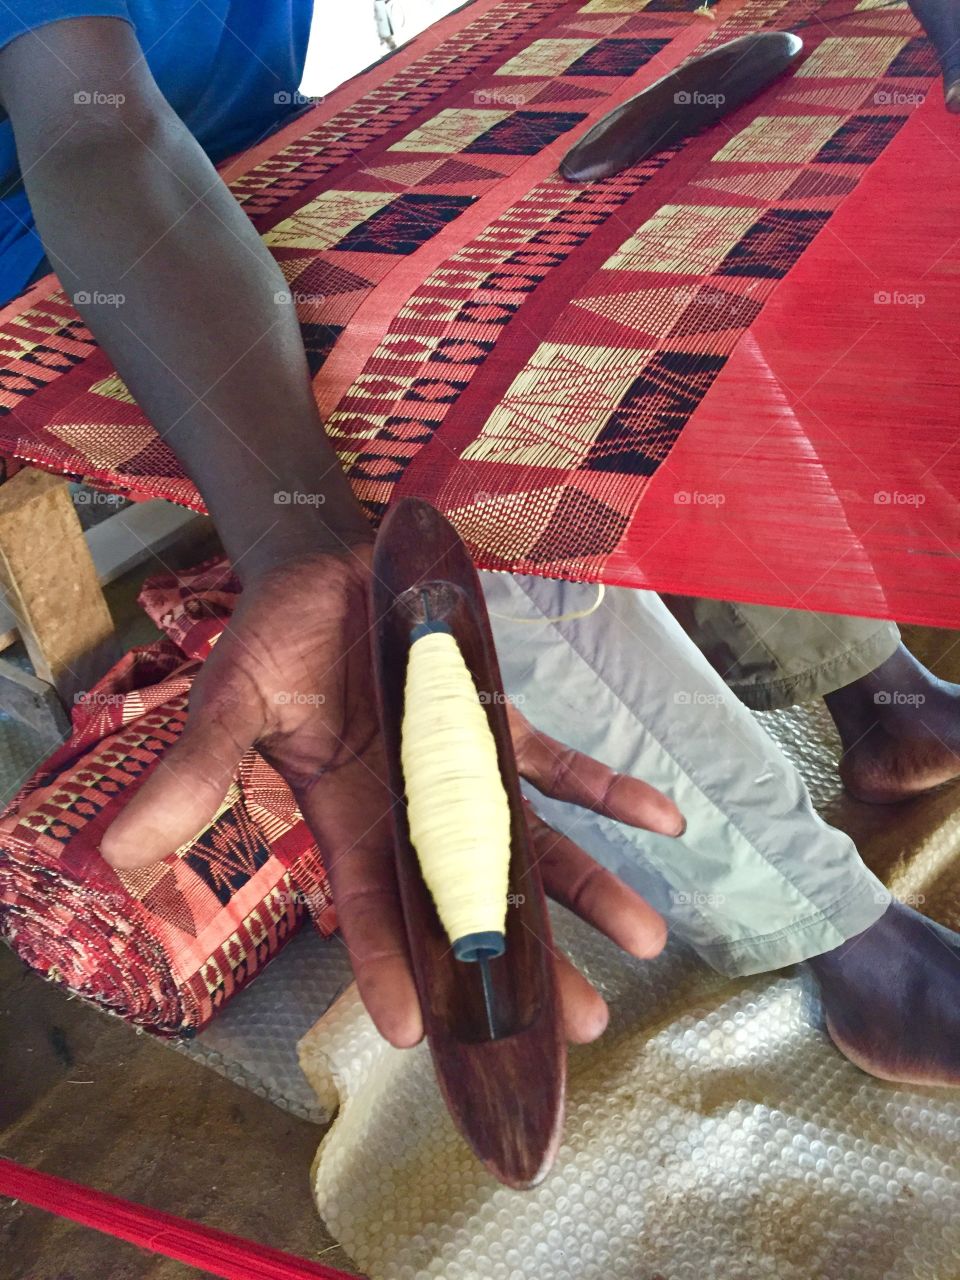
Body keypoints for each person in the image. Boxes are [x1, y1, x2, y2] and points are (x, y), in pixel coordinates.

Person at [0, 5, 956, 1087]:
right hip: (80, 227)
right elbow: (93, 133)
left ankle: (877, 694)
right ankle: (837, 932)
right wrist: (302, 536)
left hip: (273, 148)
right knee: (430, 532)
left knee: (639, 291)